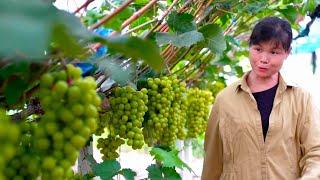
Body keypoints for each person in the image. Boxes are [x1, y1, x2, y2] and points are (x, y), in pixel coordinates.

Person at [201, 16, 320, 180]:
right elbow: (213, 161)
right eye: (258, 49)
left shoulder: (301, 100)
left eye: (274, 52)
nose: (263, 59)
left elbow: (316, 152)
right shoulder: (225, 99)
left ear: (287, 52)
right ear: (249, 47)